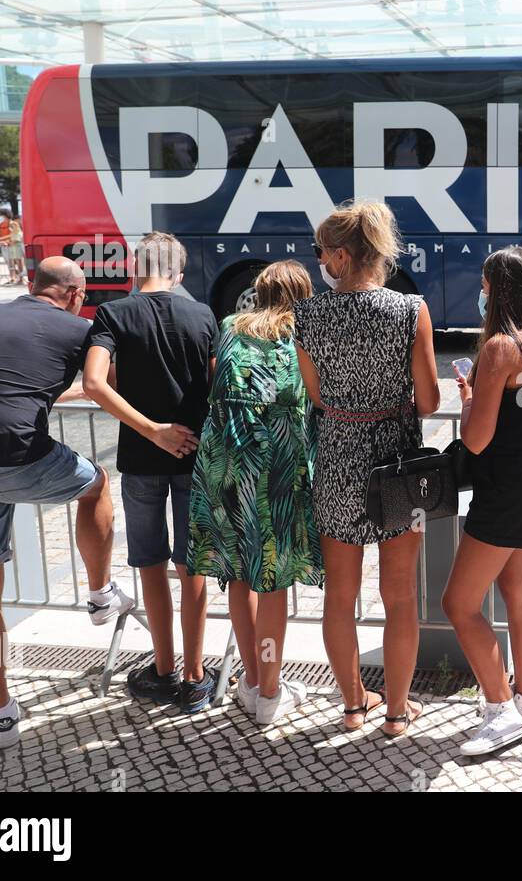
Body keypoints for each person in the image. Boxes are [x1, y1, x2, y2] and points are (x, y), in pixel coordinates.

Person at [0, 257, 134, 748]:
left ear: (31, 285)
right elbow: (109, 384)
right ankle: (101, 596)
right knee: (96, 483)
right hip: (14, 455)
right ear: (76, 295)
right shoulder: (81, 328)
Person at [293, 200, 440, 737]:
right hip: (397, 462)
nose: (318, 262)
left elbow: (315, 396)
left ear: (338, 255)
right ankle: (398, 713)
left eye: (320, 252)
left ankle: (354, 705)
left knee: (340, 595)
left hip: (336, 458)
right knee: (400, 596)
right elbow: (428, 401)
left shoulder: (306, 316)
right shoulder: (410, 311)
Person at [82, 232, 220, 713]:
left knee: (151, 563)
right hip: (195, 455)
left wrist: (151, 429)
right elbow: (215, 382)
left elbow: (94, 383)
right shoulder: (202, 314)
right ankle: (196, 678)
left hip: (140, 459)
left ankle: (162, 670)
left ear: (135, 268)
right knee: (192, 566)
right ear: (179, 274)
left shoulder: (113, 315)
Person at [443, 245, 522, 757]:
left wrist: (470, 398)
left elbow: (475, 440)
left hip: (508, 487)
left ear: (496, 289)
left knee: (459, 602)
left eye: (484, 285)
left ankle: (499, 711)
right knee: (519, 593)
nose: (481, 294)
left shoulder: (499, 349)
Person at [189, 260, 323, 726]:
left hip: (224, 460)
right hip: (276, 464)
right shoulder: (301, 332)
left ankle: (252, 681)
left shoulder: (230, 325)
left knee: (239, 572)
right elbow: (313, 398)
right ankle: (269, 692)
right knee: (273, 579)